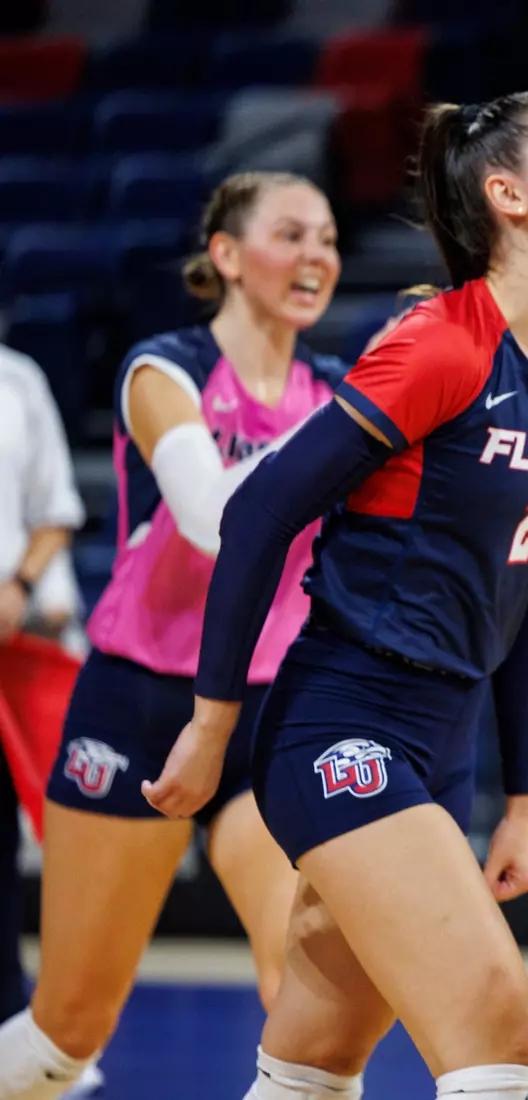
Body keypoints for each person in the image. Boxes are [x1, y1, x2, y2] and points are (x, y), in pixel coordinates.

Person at [140, 89, 528, 1100]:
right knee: (498, 1029)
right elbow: (260, 512)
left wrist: (524, 800)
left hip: (445, 747)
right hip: (342, 722)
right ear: (509, 195)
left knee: (312, 1067)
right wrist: (211, 721)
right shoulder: (439, 343)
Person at [0, 172, 348, 1100]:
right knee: (62, 1039)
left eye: (326, 237)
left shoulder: (336, 390)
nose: (316, 255)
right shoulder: (165, 370)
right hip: (140, 698)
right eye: (290, 234)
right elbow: (212, 516)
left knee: (306, 1016)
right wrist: (339, 433)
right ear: (227, 257)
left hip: (268, 713)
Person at [0, 343, 95, 1098]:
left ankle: (38, 1032)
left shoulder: (17, 378)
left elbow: (57, 511)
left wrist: (19, 587)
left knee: (29, 847)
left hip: (19, 648)